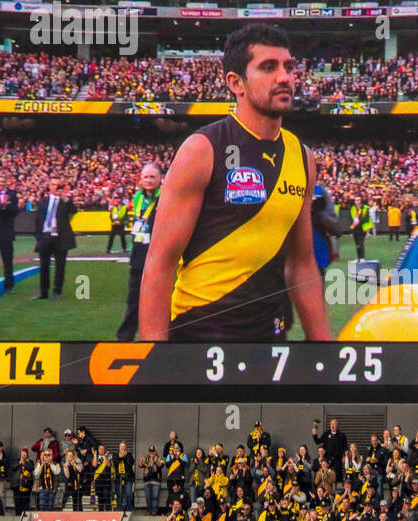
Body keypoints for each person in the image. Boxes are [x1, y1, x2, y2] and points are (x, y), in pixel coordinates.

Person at [138, 25, 332, 343]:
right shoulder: (202, 149)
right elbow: (160, 263)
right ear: (236, 82)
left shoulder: (302, 157)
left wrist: (323, 344)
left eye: (289, 67)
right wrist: (153, 359)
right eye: (268, 67)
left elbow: (302, 263)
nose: (284, 77)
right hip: (201, 334)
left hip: (271, 336)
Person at [116, 162, 161, 340]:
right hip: (138, 253)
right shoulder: (137, 198)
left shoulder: (165, 197)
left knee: (157, 300)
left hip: (156, 255)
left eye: (152, 177)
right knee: (133, 300)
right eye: (145, 177)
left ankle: (158, 337)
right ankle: (125, 337)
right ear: (140, 179)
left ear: (159, 179)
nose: (148, 180)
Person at [32, 176, 76, 300]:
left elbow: (74, 210)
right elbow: (38, 219)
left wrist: (66, 198)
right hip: (45, 236)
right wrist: (39, 237)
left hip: (60, 237)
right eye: (53, 184)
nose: (55, 187)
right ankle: (43, 292)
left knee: (60, 266)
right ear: (49, 186)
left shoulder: (65, 200)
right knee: (44, 265)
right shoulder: (44, 200)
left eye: (58, 184)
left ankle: (57, 291)